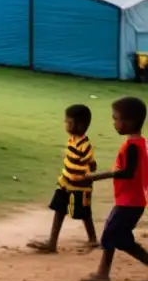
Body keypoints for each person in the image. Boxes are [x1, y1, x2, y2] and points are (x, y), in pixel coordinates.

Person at [81, 97, 148, 281]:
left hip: (130, 201)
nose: (114, 123)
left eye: (116, 119)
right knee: (118, 237)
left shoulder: (134, 146)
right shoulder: (139, 143)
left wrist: (96, 176)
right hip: (131, 200)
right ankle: (103, 272)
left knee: (114, 236)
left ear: (130, 122)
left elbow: (127, 172)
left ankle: (103, 273)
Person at [27, 104, 98, 253]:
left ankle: (92, 239)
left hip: (80, 186)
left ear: (80, 125)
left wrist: (85, 176)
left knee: (84, 213)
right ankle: (52, 243)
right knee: (59, 210)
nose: (66, 125)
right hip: (65, 183)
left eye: (68, 122)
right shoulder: (72, 139)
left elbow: (92, 165)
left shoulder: (85, 145)